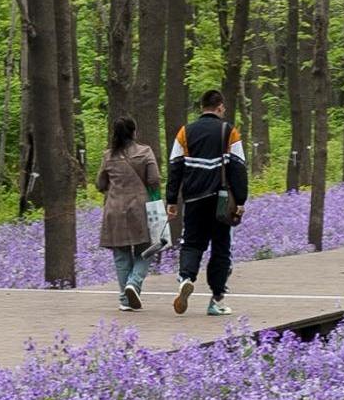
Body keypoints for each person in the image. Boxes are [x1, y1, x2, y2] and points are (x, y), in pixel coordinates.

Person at [166, 90, 248, 316]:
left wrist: (171, 199)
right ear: (220, 107)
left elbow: (175, 166)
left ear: (202, 107)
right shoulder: (229, 132)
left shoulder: (185, 132)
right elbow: (238, 167)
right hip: (220, 200)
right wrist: (240, 200)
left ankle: (185, 278)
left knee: (192, 242)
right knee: (221, 247)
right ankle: (216, 299)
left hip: (193, 199)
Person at [96, 117, 161, 311]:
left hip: (114, 209)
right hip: (139, 208)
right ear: (134, 132)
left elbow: (100, 184)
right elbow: (154, 179)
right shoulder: (145, 152)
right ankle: (134, 283)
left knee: (121, 255)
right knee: (147, 248)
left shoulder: (108, 156)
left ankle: (125, 300)